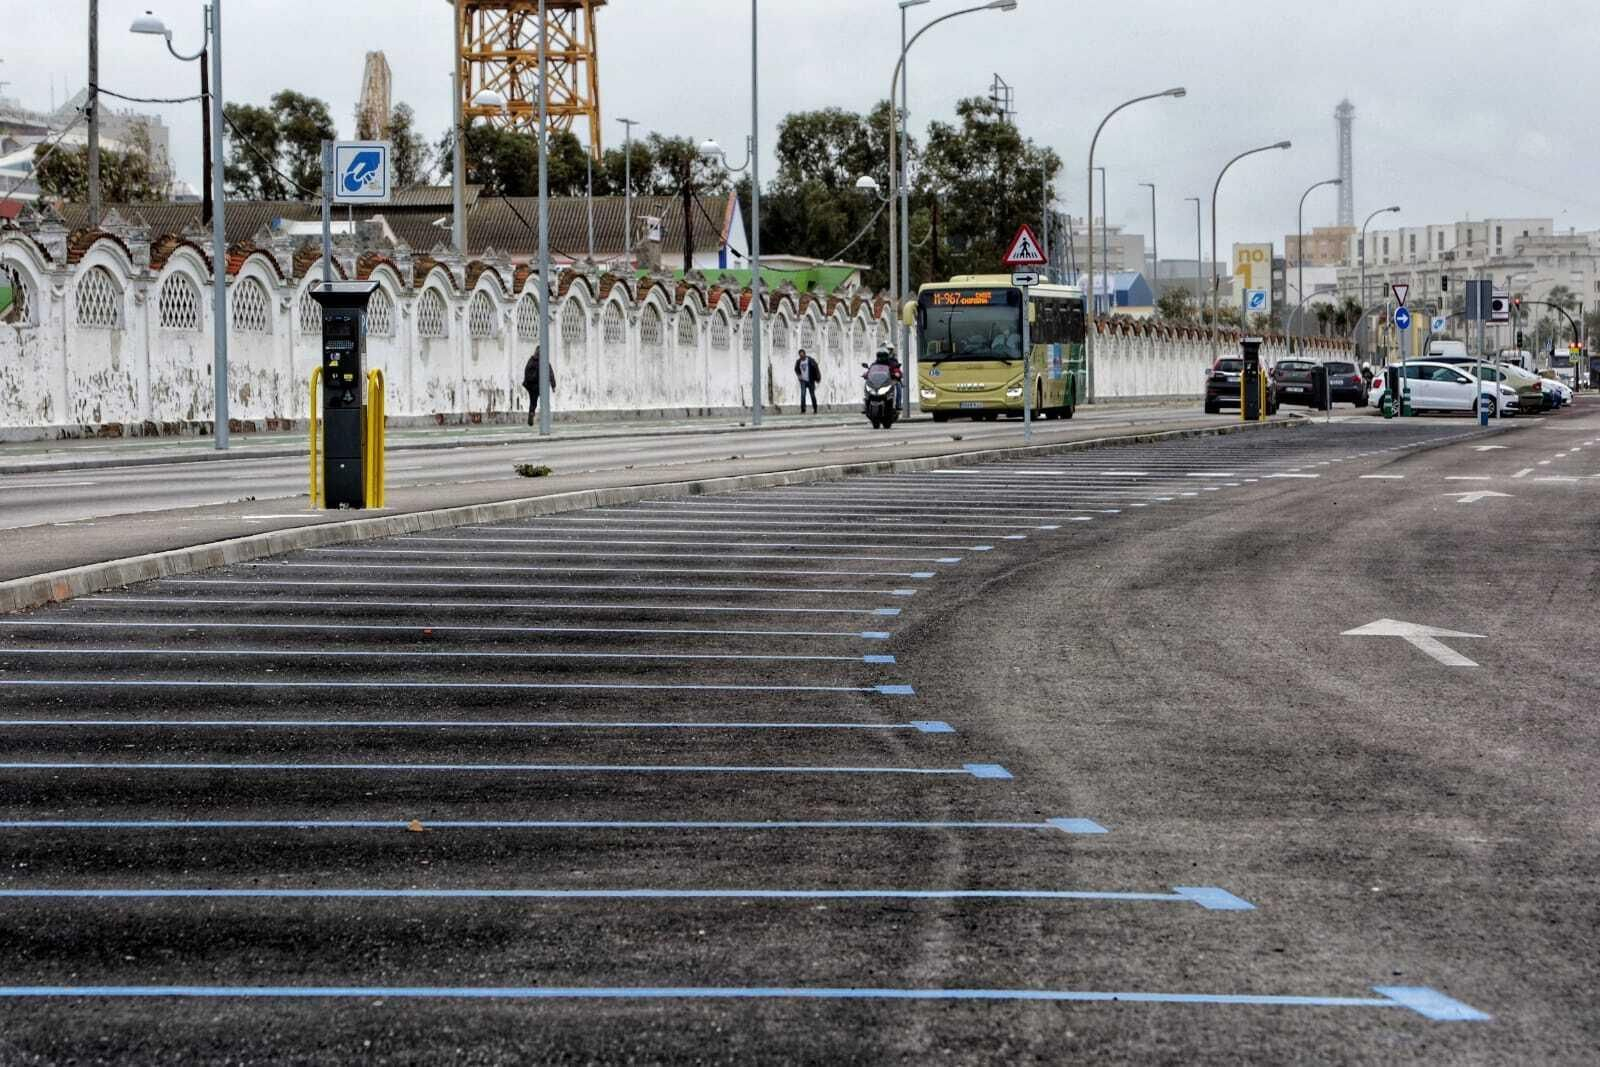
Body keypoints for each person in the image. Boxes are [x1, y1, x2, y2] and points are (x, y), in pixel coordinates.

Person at [522, 348, 555, 426]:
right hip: (540, 385)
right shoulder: (544, 361)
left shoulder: (531, 360)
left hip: (531, 386)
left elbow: (526, 372)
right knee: (545, 401)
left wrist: (527, 384)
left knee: (533, 402)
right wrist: (553, 385)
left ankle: (532, 412)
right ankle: (545, 416)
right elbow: (550, 373)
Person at [794, 347, 821, 413]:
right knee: (803, 395)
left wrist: (818, 377)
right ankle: (803, 409)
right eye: (800, 355)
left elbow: (816, 368)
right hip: (803, 381)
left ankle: (815, 408)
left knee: (812, 395)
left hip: (811, 380)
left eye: (802, 355)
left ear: (805, 354)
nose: (801, 356)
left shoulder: (810, 360)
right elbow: (796, 369)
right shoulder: (798, 362)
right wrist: (799, 376)